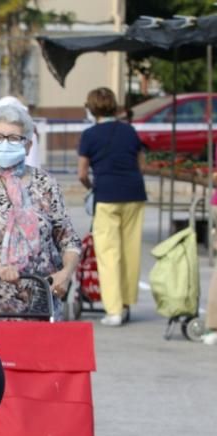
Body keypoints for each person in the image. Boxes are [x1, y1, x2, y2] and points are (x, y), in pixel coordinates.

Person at [0, 104, 82, 324]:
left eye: (13, 138)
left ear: (28, 146)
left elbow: (68, 239)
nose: (5, 144)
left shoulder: (45, 183)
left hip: (41, 302)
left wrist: (66, 273)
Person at [78, 87, 147, 327]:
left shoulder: (89, 135)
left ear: (91, 108)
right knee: (130, 251)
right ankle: (127, 303)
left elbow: (82, 172)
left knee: (109, 254)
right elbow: (141, 163)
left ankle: (114, 310)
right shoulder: (129, 131)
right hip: (134, 193)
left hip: (106, 195)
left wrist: (90, 185)